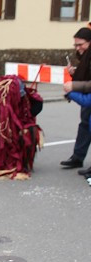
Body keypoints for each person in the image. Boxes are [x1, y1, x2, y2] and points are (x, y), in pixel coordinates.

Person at [60, 26, 91, 169]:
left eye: (81, 44)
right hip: (87, 96)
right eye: (75, 45)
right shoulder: (86, 56)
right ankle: (77, 157)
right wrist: (75, 72)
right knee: (84, 126)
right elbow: (86, 74)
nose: (78, 48)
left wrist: (74, 86)